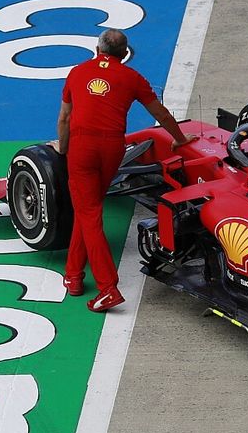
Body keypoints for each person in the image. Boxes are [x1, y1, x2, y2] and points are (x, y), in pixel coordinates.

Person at [53, 28, 197, 312]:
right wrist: (180, 139)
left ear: (97, 50)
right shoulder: (132, 77)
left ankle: (108, 288)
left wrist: (63, 148)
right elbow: (160, 113)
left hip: (82, 148)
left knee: (89, 212)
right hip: (112, 150)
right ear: (124, 54)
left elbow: (64, 118)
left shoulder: (77, 73)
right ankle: (73, 276)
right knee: (89, 207)